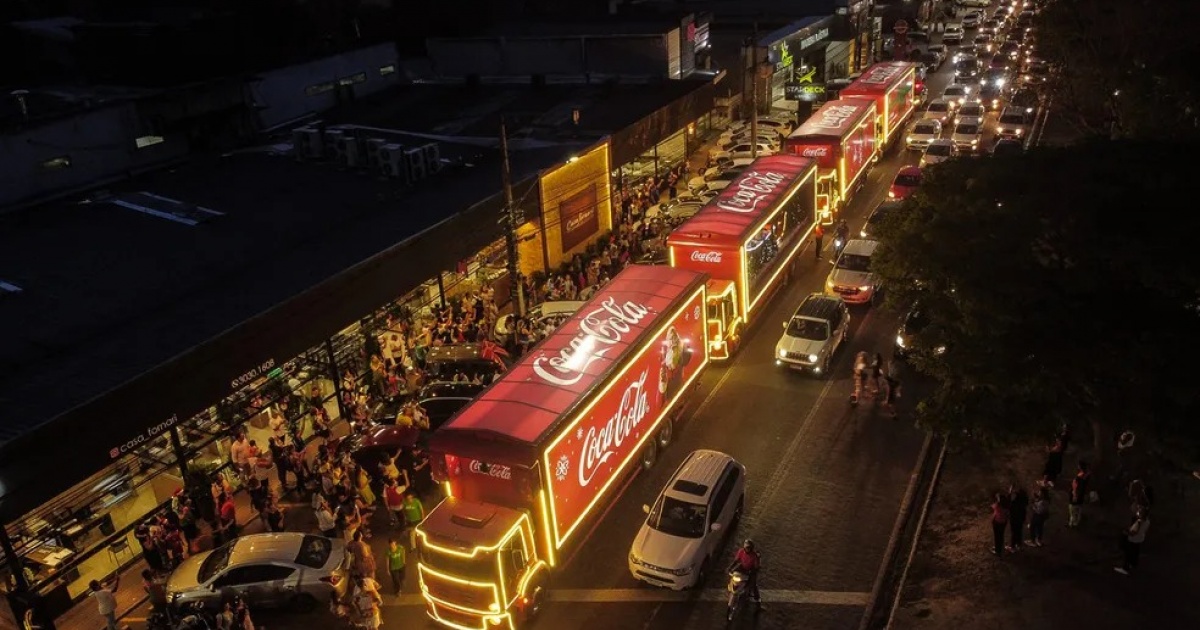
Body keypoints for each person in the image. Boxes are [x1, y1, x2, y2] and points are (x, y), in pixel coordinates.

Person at [727, 539, 762, 608]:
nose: (747, 549)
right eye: (746, 548)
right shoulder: (741, 551)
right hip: (742, 567)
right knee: (733, 575)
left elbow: (756, 567)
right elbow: (736, 560)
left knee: (753, 584)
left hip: (751, 570)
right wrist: (730, 568)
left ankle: (758, 601)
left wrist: (753, 571)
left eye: (748, 548)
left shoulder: (754, 556)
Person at [1115, 506, 1150, 575]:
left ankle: (1125, 568)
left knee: (1128, 553)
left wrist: (1126, 532)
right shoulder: (1147, 521)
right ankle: (1133, 564)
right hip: (1140, 539)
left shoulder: (1139, 522)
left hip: (1133, 540)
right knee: (1135, 552)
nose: (1137, 513)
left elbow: (1133, 532)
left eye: (1139, 512)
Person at [990, 492, 1009, 556]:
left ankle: (997, 550)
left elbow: (992, 506)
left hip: (997, 522)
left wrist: (996, 499)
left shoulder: (997, 505)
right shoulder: (1007, 505)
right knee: (1001, 535)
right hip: (1003, 522)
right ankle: (1000, 548)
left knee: (997, 536)